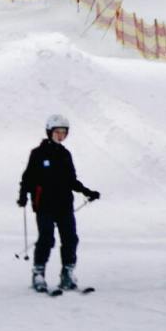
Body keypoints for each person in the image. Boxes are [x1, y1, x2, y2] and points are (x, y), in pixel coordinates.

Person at [18, 113, 100, 293]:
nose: (61, 136)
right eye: (57, 132)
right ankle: (38, 274)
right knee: (46, 239)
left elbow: (72, 180)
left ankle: (67, 274)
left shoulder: (65, 154)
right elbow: (28, 178)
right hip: (44, 205)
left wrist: (87, 192)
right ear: (49, 132)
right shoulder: (38, 153)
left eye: (64, 133)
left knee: (71, 239)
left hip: (64, 205)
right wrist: (23, 195)